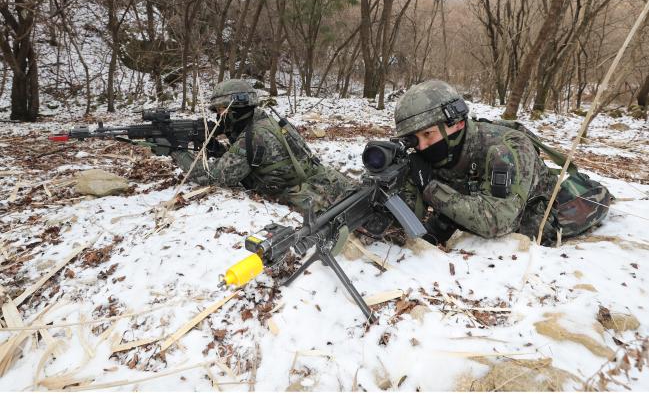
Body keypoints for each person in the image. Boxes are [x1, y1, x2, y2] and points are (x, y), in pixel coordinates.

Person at [395, 79, 612, 246]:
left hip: (535, 209)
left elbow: (497, 221)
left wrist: (430, 187)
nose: (422, 147)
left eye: (428, 134)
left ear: (458, 123)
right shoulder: (432, 149)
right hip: (473, 199)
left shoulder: (506, 148)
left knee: (538, 226)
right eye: (415, 138)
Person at [152, 79, 353, 213]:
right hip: (320, 180)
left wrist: (176, 152)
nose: (219, 116)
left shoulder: (254, 136)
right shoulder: (265, 120)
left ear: (235, 109)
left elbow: (214, 177)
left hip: (305, 195)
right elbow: (250, 159)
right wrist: (218, 149)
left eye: (221, 110)